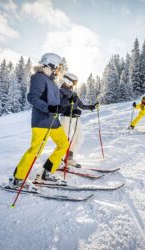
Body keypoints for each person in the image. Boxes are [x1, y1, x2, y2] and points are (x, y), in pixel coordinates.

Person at [10, 53, 69, 189]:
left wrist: (66, 103)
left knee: (63, 144)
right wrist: (49, 107)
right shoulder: (39, 78)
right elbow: (32, 98)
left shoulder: (52, 82)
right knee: (36, 150)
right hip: (42, 121)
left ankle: (48, 172)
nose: (59, 70)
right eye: (58, 67)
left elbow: (56, 102)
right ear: (51, 64)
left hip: (53, 122)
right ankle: (18, 178)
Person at [59, 73, 99, 167]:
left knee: (79, 138)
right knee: (65, 141)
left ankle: (69, 158)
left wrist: (92, 106)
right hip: (66, 117)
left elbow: (81, 105)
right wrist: (69, 101)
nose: (74, 85)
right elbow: (59, 102)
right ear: (68, 81)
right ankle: (59, 159)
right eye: (73, 83)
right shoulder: (60, 91)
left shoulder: (74, 93)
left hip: (75, 118)